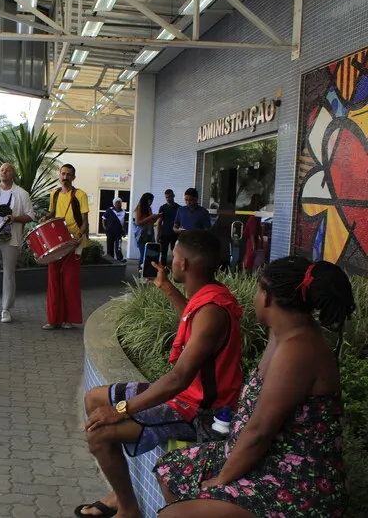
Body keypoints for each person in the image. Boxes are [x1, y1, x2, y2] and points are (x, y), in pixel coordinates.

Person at [155, 257, 352, 518]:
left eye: (258, 289)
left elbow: (260, 431)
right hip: (262, 454)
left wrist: (221, 479)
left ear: (268, 297)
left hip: (296, 477)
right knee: (170, 471)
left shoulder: (299, 349)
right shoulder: (281, 333)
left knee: (175, 514)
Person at [75, 229, 243, 518]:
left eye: (175, 255)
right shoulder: (209, 296)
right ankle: (119, 493)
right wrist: (166, 287)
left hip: (200, 410)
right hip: (187, 396)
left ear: (184, 265)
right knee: (93, 399)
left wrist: (122, 410)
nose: (170, 260)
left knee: (99, 435)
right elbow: (191, 318)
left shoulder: (212, 312)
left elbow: (178, 379)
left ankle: (129, 510)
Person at [0, 163, 35, 324]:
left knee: (8, 274)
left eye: (8, 170)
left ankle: (5, 309)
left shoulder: (21, 193)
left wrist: (15, 219)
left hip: (11, 240)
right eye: (2, 170)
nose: (4, 172)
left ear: (13, 174)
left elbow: (30, 215)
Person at [42, 164, 89, 330]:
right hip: (56, 243)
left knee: (69, 282)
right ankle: (53, 319)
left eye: (69, 174)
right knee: (53, 281)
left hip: (73, 243)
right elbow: (52, 213)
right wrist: (45, 218)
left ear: (73, 177)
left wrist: (79, 236)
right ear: (59, 175)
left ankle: (68, 319)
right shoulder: (53, 194)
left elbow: (84, 221)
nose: (65, 177)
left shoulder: (80, 195)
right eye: (63, 174)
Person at [133, 192, 161, 271]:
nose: (151, 202)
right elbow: (138, 222)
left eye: (152, 201)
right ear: (145, 200)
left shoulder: (149, 208)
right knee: (143, 254)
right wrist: (151, 217)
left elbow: (151, 222)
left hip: (149, 233)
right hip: (142, 234)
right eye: (150, 200)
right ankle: (140, 274)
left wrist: (156, 217)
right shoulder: (139, 208)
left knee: (150, 254)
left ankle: (147, 273)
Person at [157, 189, 179, 266]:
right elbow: (159, 222)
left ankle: (175, 269)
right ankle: (163, 270)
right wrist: (158, 235)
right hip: (165, 233)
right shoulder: (162, 208)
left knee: (176, 253)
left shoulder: (179, 208)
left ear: (173, 196)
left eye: (169, 197)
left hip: (175, 234)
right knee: (163, 253)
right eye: (166, 197)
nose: (168, 199)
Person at [102, 197, 126, 262]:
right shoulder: (109, 210)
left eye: (119, 202)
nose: (118, 204)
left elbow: (124, 222)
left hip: (119, 232)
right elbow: (104, 218)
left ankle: (120, 259)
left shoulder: (123, 211)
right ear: (114, 204)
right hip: (110, 232)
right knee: (110, 246)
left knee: (118, 247)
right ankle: (110, 259)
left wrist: (124, 231)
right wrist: (104, 226)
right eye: (116, 202)